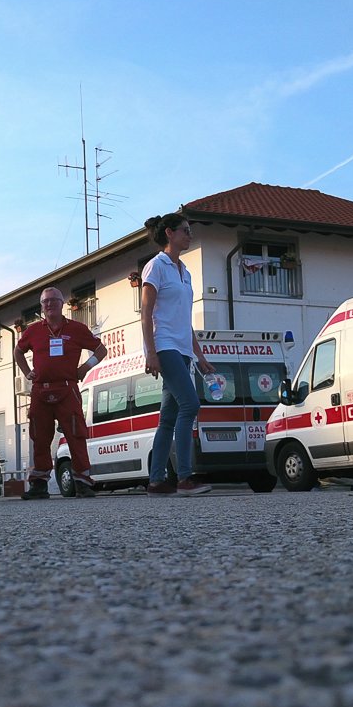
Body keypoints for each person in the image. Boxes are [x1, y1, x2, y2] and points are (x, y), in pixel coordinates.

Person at [140, 213, 214, 497]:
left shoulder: (185, 271)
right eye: (185, 230)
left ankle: (157, 481)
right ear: (169, 233)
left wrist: (200, 356)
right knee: (190, 405)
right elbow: (146, 314)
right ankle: (184, 477)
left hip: (183, 349)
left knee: (168, 418)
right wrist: (151, 353)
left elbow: (185, 319)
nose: (190, 235)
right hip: (165, 345)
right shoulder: (155, 267)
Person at [13, 286, 107, 499]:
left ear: (62, 303)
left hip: (67, 389)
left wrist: (85, 368)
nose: (49, 304)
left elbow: (101, 350)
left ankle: (82, 482)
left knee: (76, 434)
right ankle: (39, 484)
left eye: (54, 300)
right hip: (40, 391)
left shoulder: (77, 328)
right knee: (39, 436)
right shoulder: (34, 331)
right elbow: (18, 351)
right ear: (41, 306)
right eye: (45, 302)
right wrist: (27, 373)